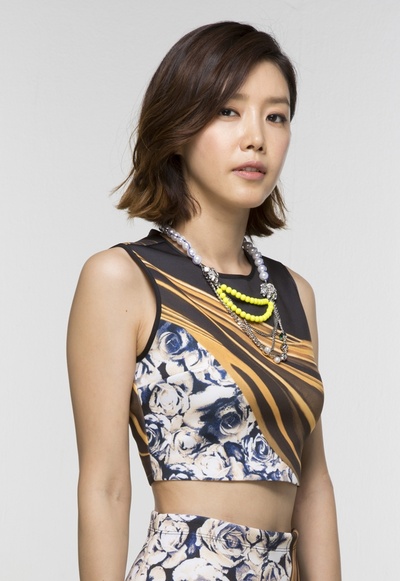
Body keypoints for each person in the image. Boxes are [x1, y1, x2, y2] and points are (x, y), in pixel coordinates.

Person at [67, 21, 341, 581]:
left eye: (276, 116)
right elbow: (105, 486)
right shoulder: (122, 278)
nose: (256, 137)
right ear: (179, 126)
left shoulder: (294, 294)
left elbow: (314, 487)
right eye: (227, 111)